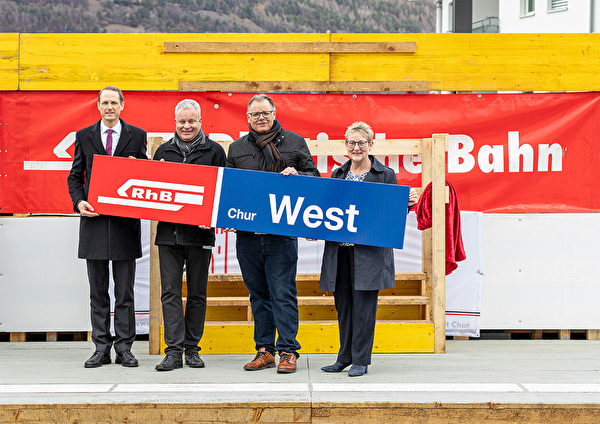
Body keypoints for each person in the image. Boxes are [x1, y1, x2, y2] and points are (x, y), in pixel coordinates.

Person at [226, 94, 320, 373]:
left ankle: (288, 351)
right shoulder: (236, 148)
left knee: (283, 293)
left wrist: (299, 176)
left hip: (282, 234)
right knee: (258, 295)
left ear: (274, 113)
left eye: (265, 113)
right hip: (247, 235)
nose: (261, 118)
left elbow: (314, 176)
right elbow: (230, 188)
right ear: (247, 118)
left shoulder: (294, 141)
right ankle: (264, 350)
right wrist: (227, 215)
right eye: (255, 114)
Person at [319, 121, 418, 377]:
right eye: (351, 143)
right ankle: (344, 357)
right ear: (345, 146)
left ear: (371, 145)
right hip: (340, 252)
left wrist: (406, 203)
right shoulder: (338, 174)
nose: (356, 147)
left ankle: (361, 360)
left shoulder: (386, 175)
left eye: (361, 143)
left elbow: (391, 213)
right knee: (343, 307)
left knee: (364, 307)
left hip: (369, 254)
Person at [67, 86, 147, 368]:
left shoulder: (137, 136)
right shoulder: (84, 136)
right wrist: (79, 203)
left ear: (122, 105)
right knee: (98, 291)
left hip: (125, 225)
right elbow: (75, 177)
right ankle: (101, 347)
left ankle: (124, 348)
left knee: (125, 291)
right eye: (105, 102)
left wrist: (140, 167)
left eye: (114, 102)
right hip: (94, 223)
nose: (109, 107)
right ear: (98, 106)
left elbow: (146, 175)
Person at [153, 99, 226, 371]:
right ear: (175, 122)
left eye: (191, 121)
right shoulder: (162, 151)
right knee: (170, 293)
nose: (186, 126)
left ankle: (192, 349)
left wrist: (215, 219)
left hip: (200, 236)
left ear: (200, 121)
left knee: (197, 293)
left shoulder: (215, 151)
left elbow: (223, 192)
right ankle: (172, 351)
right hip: (168, 236)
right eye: (181, 122)